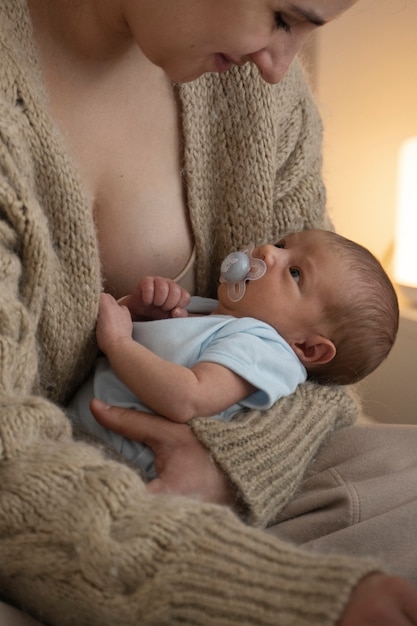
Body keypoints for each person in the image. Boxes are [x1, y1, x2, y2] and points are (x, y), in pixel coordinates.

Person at [2, 1, 417, 625]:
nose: (282, 67)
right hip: (45, 508)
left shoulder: (258, 90)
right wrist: (282, 597)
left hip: (212, 470)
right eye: (282, 16)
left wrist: (232, 465)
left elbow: (326, 365)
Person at [68, 229, 399, 480]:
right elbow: (154, 350)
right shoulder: (217, 313)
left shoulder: (264, 349)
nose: (268, 251)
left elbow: (188, 398)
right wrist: (141, 313)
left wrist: (119, 342)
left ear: (307, 347)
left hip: (122, 462)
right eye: (283, 245)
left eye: (295, 272)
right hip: (84, 434)